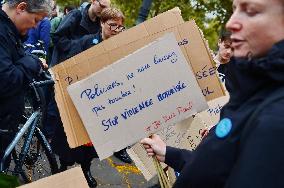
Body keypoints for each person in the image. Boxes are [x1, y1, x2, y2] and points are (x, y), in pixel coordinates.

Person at [141, 0, 284, 187]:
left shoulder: (275, 118)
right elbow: (217, 167)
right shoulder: (252, 91)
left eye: (250, 11)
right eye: (234, 10)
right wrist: (169, 153)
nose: (231, 23)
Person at [47, 7, 128, 188]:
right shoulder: (84, 42)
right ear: (102, 23)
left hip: (102, 104)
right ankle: (63, 166)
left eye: (119, 27)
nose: (115, 30)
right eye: (112, 25)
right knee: (69, 139)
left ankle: (85, 168)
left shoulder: (121, 47)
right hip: (78, 100)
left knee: (91, 144)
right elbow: (70, 68)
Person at [0, 0, 51, 168]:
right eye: (36, 20)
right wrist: (33, 63)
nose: (36, 27)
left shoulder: (9, 31)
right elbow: (7, 80)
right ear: (21, 8)